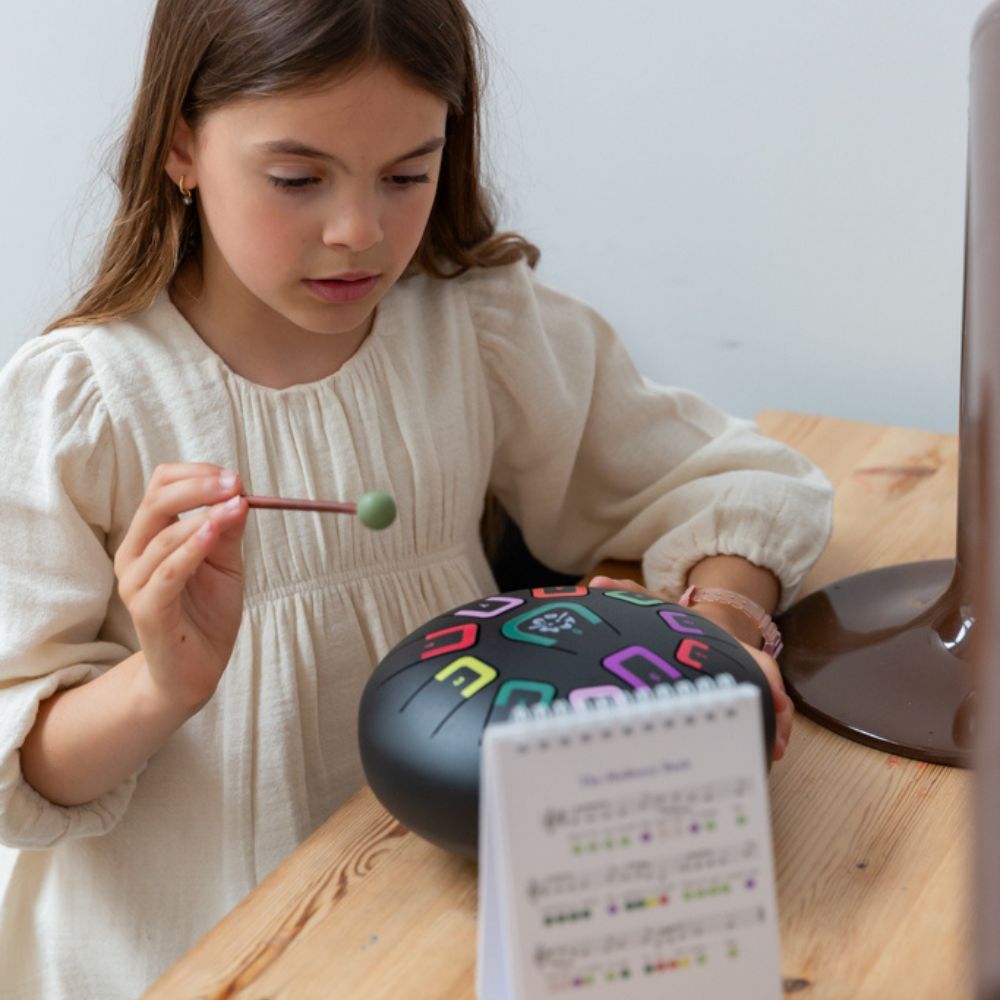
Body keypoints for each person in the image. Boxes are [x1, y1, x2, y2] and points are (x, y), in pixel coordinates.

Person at [0, 0, 833, 995]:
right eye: (297, 178)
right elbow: (25, 773)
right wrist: (163, 683)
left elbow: (738, 479)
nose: (359, 232)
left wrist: (721, 628)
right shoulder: (83, 401)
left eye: (407, 175)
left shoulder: (475, 331)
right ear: (180, 146)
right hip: (189, 949)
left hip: (442, 921)